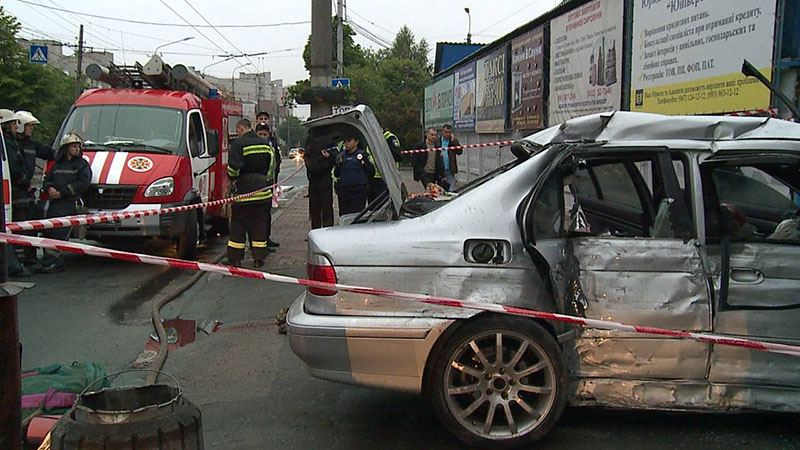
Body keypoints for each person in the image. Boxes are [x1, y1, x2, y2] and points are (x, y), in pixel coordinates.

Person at [39, 133, 92, 273]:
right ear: (66, 148)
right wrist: (49, 188)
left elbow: (83, 183)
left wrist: (62, 192)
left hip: (69, 203)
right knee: (49, 231)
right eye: (74, 146)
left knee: (61, 233)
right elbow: (48, 179)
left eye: (78, 146)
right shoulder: (57, 164)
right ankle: (48, 260)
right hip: (54, 204)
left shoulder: (82, 165)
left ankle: (54, 262)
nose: (77, 149)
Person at [226, 118, 273, 268]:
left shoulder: (238, 144)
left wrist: (232, 179)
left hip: (244, 192)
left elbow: (234, 168)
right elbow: (272, 166)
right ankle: (259, 258)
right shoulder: (265, 143)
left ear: (240, 129)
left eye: (237, 131)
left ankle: (235, 258)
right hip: (263, 191)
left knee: (238, 225)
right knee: (259, 225)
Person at [15, 111, 57, 266]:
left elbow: (49, 153)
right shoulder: (12, 145)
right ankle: (19, 259)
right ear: (20, 126)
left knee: (30, 224)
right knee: (18, 225)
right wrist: (23, 181)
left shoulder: (31, 145)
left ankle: (30, 258)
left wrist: (66, 153)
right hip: (16, 192)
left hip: (27, 193)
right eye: (29, 126)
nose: (31, 129)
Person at [0, 109, 31, 276]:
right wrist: (24, 180)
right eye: (13, 123)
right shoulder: (7, 143)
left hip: (14, 192)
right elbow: (13, 167)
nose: (15, 126)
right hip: (15, 192)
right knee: (14, 227)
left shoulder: (12, 142)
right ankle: (14, 265)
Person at [333, 132, 374, 216]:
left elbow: (371, 172)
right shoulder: (341, 156)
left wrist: (364, 164)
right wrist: (339, 164)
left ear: (356, 142)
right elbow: (336, 174)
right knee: (344, 216)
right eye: (345, 141)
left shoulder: (362, 155)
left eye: (349, 141)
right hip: (344, 191)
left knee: (356, 215)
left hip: (359, 191)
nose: (346, 144)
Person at [256, 111, 281, 249]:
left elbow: (276, 161)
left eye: (266, 118)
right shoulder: (252, 140)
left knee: (267, 212)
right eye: (260, 119)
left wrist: (275, 180)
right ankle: (259, 242)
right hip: (256, 184)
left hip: (269, 182)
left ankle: (266, 238)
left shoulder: (273, 139)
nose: (263, 121)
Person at [304, 140, 337, 229]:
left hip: (325, 178)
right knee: (314, 207)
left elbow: (335, 157)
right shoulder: (310, 141)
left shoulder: (329, 142)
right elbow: (306, 157)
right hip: (313, 178)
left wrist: (329, 156)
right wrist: (311, 168)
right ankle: (315, 230)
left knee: (327, 206)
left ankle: (328, 229)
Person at [439, 124, 462, 190]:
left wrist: (453, 140)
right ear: (442, 132)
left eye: (449, 132)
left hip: (450, 169)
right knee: (441, 189)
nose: (447, 134)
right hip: (440, 169)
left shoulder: (453, 141)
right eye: (446, 132)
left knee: (451, 188)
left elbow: (459, 152)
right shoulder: (438, 141)